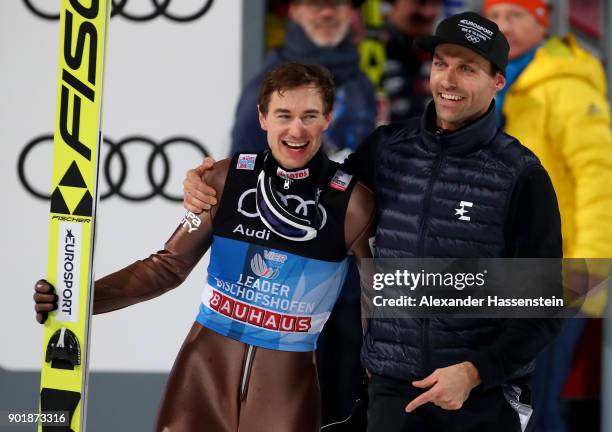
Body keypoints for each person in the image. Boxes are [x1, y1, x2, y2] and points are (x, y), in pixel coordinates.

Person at [183, 12, 563, 431]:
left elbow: (543, 307)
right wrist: (211, 185)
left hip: (478, 400)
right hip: (390, 393)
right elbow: (302, 201)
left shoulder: (521, 176)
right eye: (441, 64)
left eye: (467, 69)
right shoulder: (387, 149)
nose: (449, 81)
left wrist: (474, 372)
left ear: (498, 80)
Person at [34, 63, 375, 432]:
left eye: (309, 116)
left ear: (327, 118)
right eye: (284, 115)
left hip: (285, 392)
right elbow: (167, 268)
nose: (296, 130)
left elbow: (379, 302)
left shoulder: (354, 204)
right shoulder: (223, 179)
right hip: (200, 380)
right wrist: (77, 302)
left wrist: (380, 384)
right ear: (262, 118)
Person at [483, 1, 612, 430]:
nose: (505, 28)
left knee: (533, 409)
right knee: (507, 405)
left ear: (542, 23)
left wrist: (590, 269)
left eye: (517, 16)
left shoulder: (565, 84)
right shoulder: (496, 82)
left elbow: (600, 180)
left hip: (558, 273)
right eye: (496, 18)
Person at [373, 0, 442, 123]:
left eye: (435, 4)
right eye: (419, 3)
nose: (427, 13)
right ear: (393, 4)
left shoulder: (442, 51)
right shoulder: (368, 48)